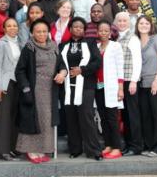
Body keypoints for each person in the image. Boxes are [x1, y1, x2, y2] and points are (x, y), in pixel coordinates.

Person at [15, 19, 67, 164]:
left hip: (51, 90)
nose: (42, 34)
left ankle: (42, 148)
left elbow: (62, 65)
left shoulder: (54, 46)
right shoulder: (29, 48)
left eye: (44, 31)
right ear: (32, 33)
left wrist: (62, 73)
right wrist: (26, 88)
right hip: (34, 89)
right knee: (34, 119)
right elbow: (20, 71)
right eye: (38, 31)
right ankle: (31, 149)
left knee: (46, 120)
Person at [59, 17, 102, 160]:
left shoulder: (90, 43)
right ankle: (75, 149)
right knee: (71, 118)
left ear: (84, 30)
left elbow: (97, 62)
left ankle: (94, 151)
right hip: (67, 87)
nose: (78, 29)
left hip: (86, 86)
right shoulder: (63, 46)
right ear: (70, 29)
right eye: (75, 27)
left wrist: (82, 70)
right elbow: (59, 63)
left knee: (86, 117)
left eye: (81, 27)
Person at [0, 18, 21, 161]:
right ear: (4, 28)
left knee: (14, 117)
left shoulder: (20, 43)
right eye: (9, 26)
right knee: (4, 118)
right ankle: (2, 151)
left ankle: (12, 148)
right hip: (4, 84)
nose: (12, 28)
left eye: (15, 25)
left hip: (16, 84)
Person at [136, 15, 157, 157]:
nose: (143, 25)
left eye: (146, 23)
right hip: (142, 84)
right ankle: (149, 146)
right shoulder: (136, 41)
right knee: (146, 115)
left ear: (151, 25)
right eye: (141, 23)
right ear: (137, 25)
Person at [114, 12, 143, 156]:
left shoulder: (133, 38)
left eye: (125, 20)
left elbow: (137, 61)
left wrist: (133, 81)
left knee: (132, 114)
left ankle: (136, 146)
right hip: (119, 82)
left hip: (129, 81)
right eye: (119, 20)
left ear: (129, 22)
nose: (122, 23)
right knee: (124, 115)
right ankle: (128, 144)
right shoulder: (115, 38)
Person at [95, 20, 124, 160]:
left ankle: (117, 147)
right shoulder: (96, 46)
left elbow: (120, 68)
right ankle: (108, 145)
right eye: (101, 30)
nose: (104, 33)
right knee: (103, 118)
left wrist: (120, 88)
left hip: (111, 87)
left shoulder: (115, 46)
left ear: (110, 32)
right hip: (98, 87)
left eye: (106, 30)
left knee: (113, 118)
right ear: (97, 32)